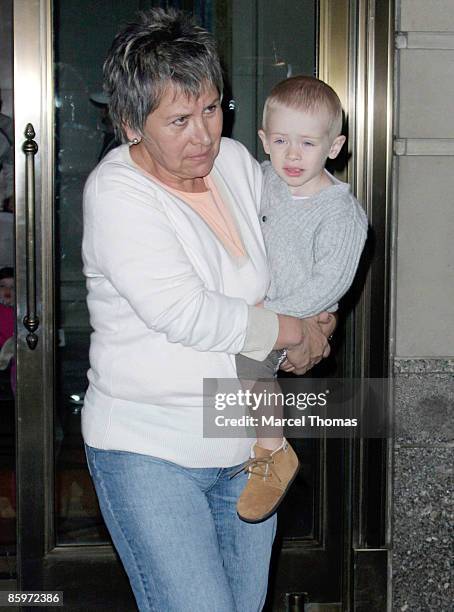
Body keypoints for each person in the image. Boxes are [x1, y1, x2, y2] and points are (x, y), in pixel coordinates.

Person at [82, 9, 336, 612]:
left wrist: (315, 320)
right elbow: (190, 313)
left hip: (248, 451)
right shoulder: (117, 193)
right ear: (129, 124)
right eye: (178, 120)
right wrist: (292, 330)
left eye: (212, 108)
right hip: (150, 451)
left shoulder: (235, 164)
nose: (203, 134)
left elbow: (285, 260)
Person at [234, 76, 368, 524]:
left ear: (334, 146)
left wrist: (278, 316)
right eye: (280, 141)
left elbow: (332, 279)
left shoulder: (339, 210)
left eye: (308, 143)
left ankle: (272, 450)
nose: (292, 155)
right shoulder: (263, 179)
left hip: (295, 309)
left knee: (252, 369)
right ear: (263, 140)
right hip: (261, 305)